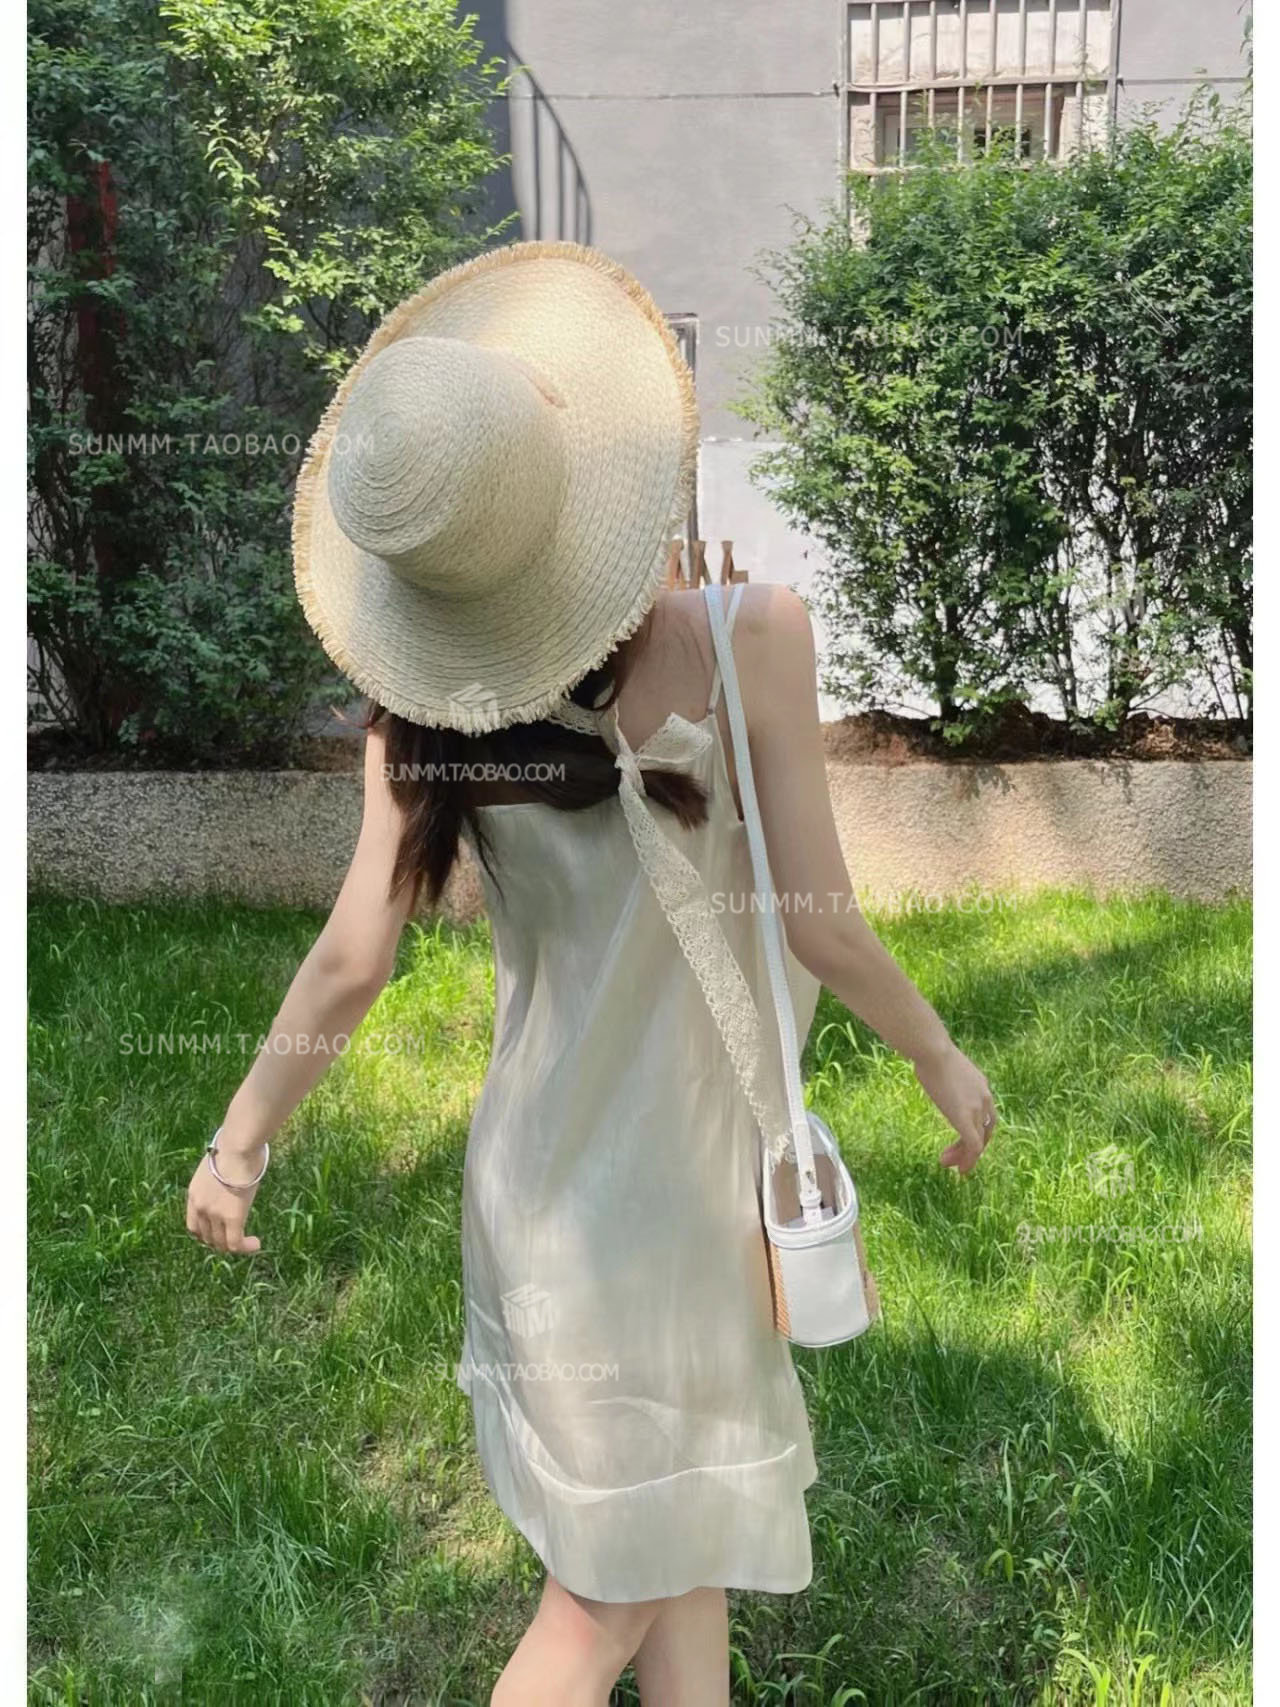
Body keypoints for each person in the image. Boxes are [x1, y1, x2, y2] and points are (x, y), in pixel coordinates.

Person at [186, 242, 997, 1706]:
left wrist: (237, 1148)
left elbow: (352, 962)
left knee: (678, 1553)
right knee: (602, 1603)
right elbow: (819, 922)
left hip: (543, 1199)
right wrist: (942, 1059)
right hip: (681, 1211)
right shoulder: (752, 638)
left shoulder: (422, 717)